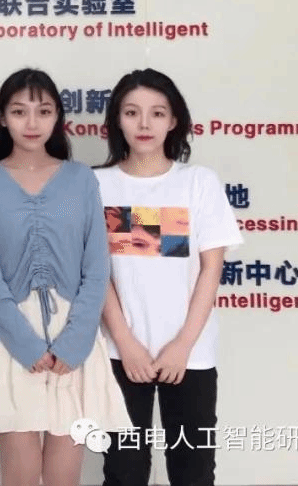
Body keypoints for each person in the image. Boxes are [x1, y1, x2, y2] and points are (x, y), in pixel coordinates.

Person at [0, 68, 130, 486]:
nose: (32, 122)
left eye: (44, 111)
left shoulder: (80, 178)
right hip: (10, 339)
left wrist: (74, 343)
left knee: (63, 477)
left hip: (75, 338)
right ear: (2, 118)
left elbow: (97, 266)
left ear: (58, 116)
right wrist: (25, 343)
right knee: (19, 475)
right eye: (19, 111)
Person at [95, 68, 243, 486]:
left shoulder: (198, 182)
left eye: (157, 113)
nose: (144, 124)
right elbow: (96, 272)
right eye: (132, 112)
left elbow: (211, 268)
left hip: (190, 353)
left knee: (193, 470)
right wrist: (125, 343)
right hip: (120, 352)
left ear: (174, 120)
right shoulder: (95, 184)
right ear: (117, 119)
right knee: (124, 472)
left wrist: (182, 345)